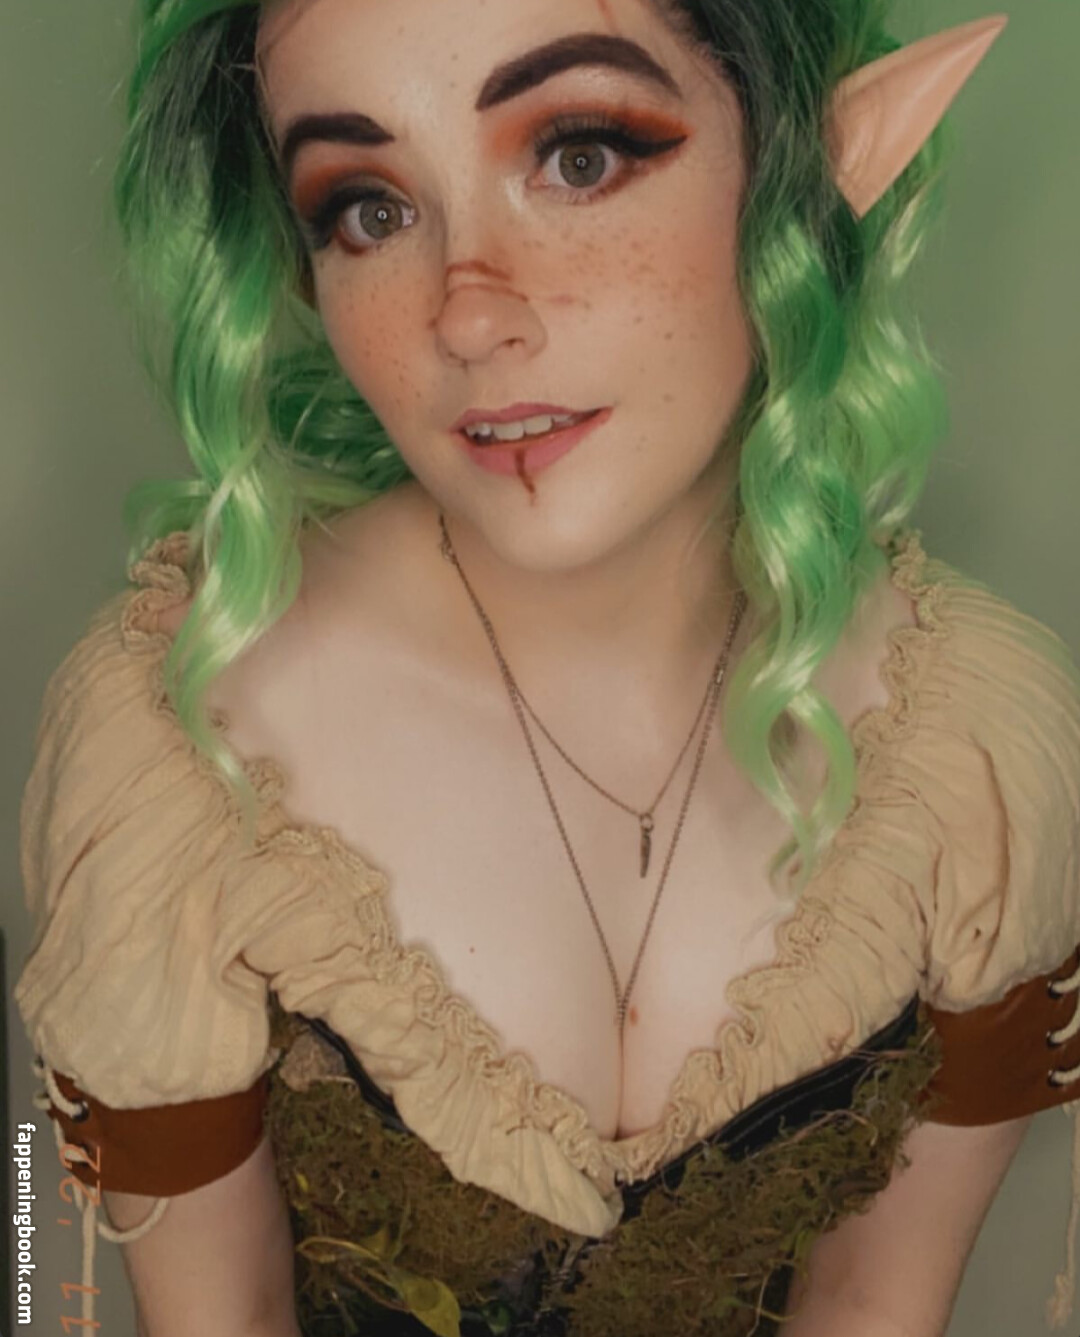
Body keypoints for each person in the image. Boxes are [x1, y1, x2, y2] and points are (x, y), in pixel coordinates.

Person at [13, 1, 1080, 1334]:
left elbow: (880, 1304)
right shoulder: (182, 748)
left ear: (809, 169)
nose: (467, 315)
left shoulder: (976, 748)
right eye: (367, 208)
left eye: (580, 156)